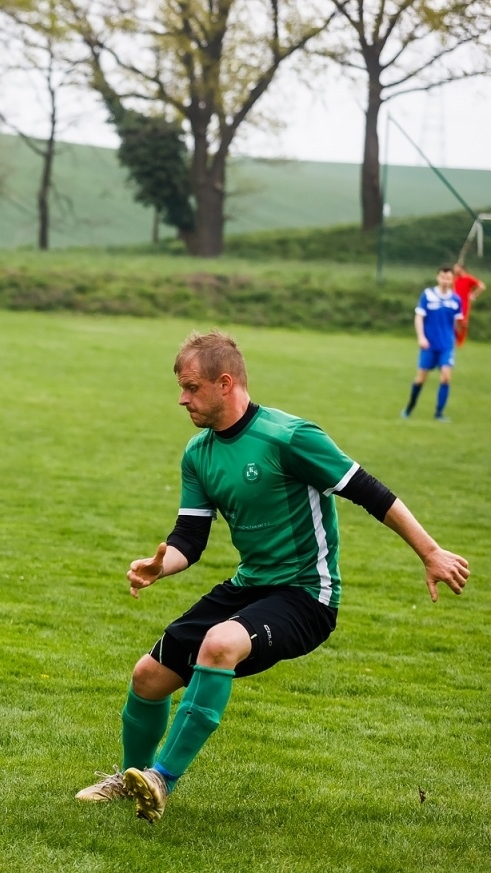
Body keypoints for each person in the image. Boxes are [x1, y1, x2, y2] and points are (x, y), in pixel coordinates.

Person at [76, 330, 470, 823]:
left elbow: (369, 491)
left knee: (220, 643)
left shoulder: (290, 437)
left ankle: (161, 778)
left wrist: (430, 551)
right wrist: (162, 565)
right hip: (251, 585)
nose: (182, 398)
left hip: (308, 594)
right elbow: (190, 538)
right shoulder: (198, 453)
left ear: (225, 383)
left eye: (192, 388)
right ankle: (131, 776)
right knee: (148, 676)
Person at [403, 265, 464, 421]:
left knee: (446, 377)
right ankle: (409, 408)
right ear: (438, 278)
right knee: (421, 379)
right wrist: (421, 337)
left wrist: (462, 327)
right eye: (443, 277)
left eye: (448, 278)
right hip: (429, 345)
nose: (445, 281)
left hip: (446, 345)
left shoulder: (456, 299)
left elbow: (458, 323)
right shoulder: (428, 295)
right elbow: (419, 317)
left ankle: (439, 413)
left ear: (452, 280)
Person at [452, 262, 484, 347]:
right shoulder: (456, 279)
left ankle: (460, 341)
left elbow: (481, 286)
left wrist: (473, 295)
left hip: (464, 303)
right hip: (455, 303)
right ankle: (454, 339)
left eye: (456, 267)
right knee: (454, 321)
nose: (454, 269)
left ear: (461, 268)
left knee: (463, 323)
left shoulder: (468, 278)